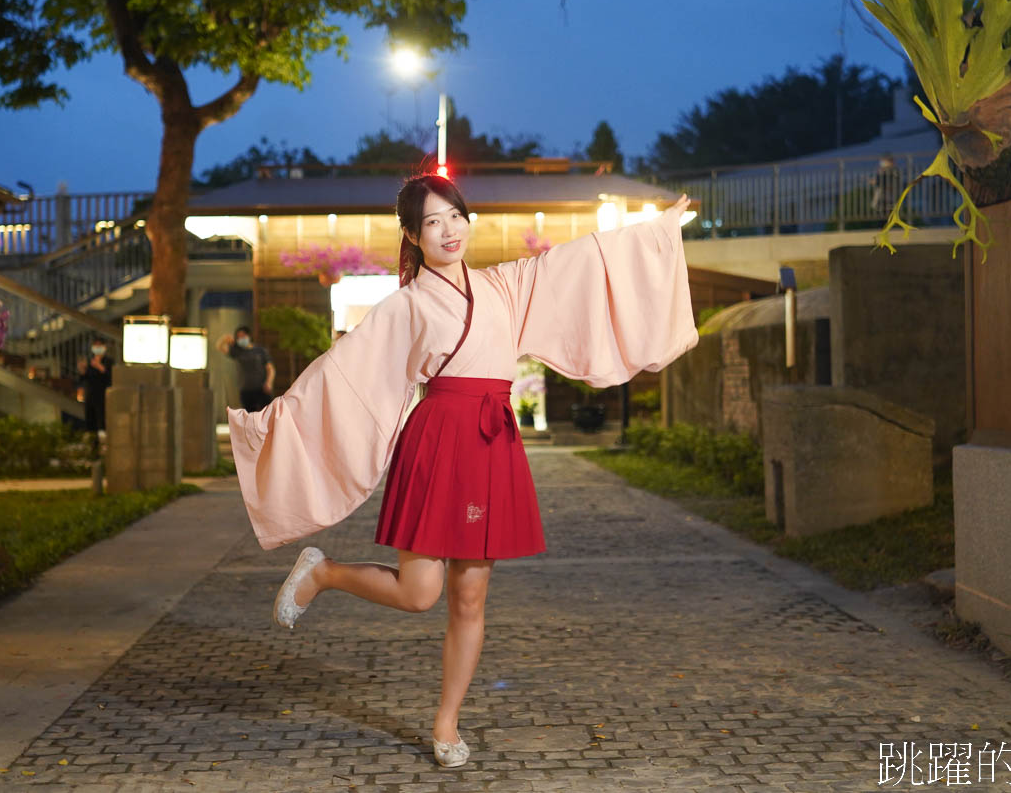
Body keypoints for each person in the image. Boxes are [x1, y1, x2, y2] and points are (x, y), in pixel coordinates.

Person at [226, 174, 697, 769]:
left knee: (470, 599)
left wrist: (655, 233)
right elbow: (341, 374)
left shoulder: (505, 284)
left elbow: (582, 262)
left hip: (491, 441)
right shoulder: (406, 305)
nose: (448, 230)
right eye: (432, 222)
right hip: (439, 442)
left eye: (455, 216)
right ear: (412, 237)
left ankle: (446, 721)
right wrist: (273, 423)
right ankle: (323, 573)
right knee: (420, 593)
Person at [217, 325, 275, 412]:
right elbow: (220, 347)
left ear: (249, 336)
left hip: (262, 388)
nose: (241, 338)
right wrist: (225, 339)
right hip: (246, 390)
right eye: (239, 337)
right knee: (249, 416)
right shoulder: (237, 351)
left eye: (243, 336)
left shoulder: (260, 351)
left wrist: (269, 382)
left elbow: (270, 368)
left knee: (267, 413)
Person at [76, 339, 114, 455]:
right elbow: (84, 379)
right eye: (95, 345)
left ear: (104, 347)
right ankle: (93, 448)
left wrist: (99, 366)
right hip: (91, 396)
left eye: (99, 345)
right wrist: (82, 370)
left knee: (102, 421)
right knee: (91, 422)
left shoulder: (108, 361)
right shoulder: (89, 361)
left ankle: (104, 447)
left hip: (103, 396)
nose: (97, 348)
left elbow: (109, 377)